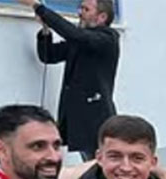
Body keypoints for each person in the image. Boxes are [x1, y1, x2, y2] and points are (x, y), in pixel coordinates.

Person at [20, 0, 120, 159]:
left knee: (100, 163)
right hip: (78, 117)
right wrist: (45, 30)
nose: (80, 12)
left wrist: (38, 7)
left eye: (86, 9)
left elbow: (75, 34)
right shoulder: (82, 41)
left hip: (95, 118)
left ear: (101, 17)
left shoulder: (107, 39)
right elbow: (49, 56)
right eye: (80, 8)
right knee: (91, 163)